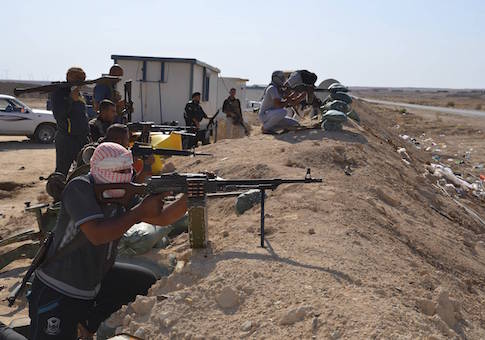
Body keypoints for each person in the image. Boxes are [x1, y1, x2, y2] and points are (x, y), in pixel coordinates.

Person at [27, 142, 187, 339]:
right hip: (58, 288)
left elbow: (162, 218)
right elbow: (97, 234)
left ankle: (86, 324)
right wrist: (138, 212)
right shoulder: (80, 188)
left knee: (142, 281)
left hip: (91, 282)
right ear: (102, 171)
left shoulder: (121, 194)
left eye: (128, 170)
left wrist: (191, 196)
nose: (127, 175)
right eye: (120, 171)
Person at [52, 67, 90, 176]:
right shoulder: (60, 92)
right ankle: (59, 191)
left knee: (84, 169)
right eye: (78, 77)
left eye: (83, 78)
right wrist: (70, 100)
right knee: (62, 170)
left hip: (81, 138)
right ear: (69, 77)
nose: (81, 80)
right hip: (67, 138)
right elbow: (59, 115)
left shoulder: (78, 93)